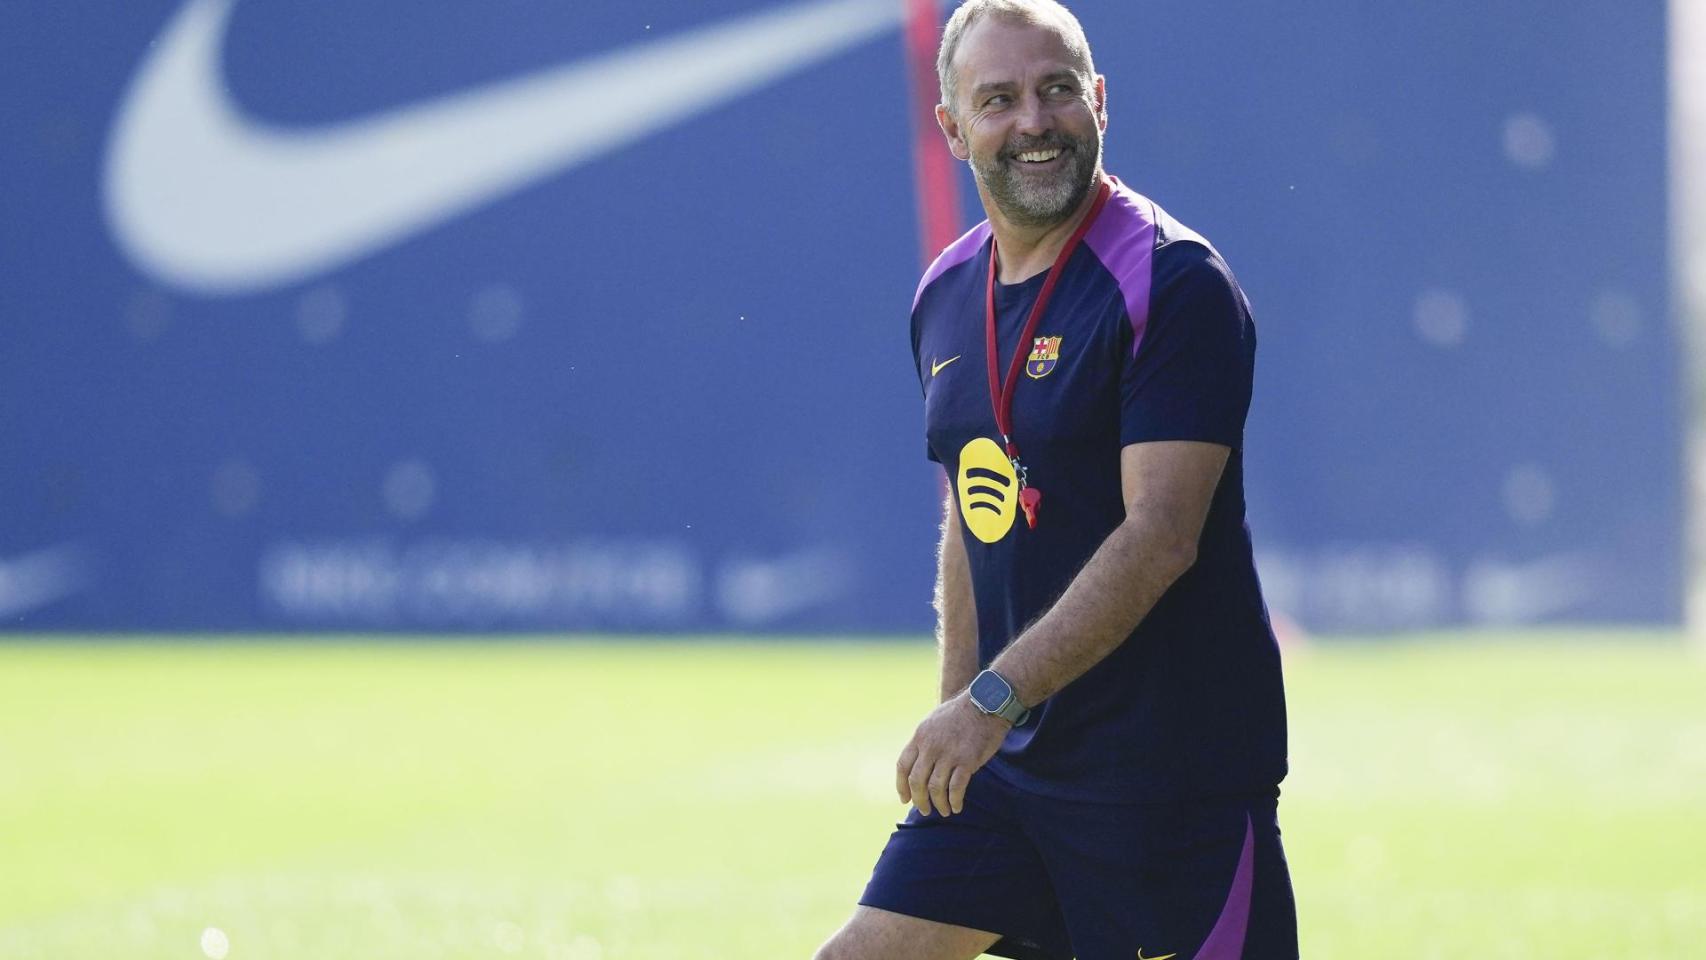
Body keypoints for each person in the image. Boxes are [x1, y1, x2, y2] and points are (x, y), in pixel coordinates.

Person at [813, 2, 1297, 958]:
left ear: (1100, 102)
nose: (1034, 120)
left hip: (1169, 785)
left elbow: (1160, 535)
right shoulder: (945, 293)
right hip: (1015, 773)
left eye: (1057, 90)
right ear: (952, 128)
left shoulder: (1175, 281)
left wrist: (990, 701)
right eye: (998, 100)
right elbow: (970, 501)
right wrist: (961, 710)